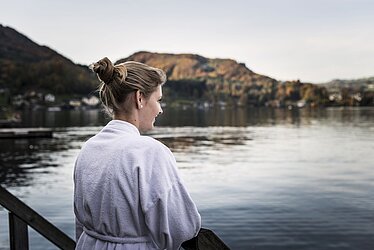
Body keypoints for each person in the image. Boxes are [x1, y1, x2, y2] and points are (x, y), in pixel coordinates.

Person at [73, 57, 201, 249]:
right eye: (158, 100)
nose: (160, 110)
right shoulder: (150, 152)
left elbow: (80, 223)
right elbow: (181, 228)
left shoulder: (88, 148)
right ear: (140, 98)